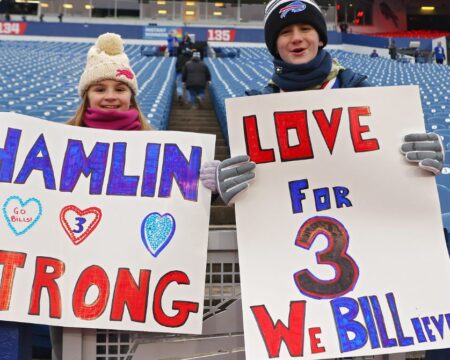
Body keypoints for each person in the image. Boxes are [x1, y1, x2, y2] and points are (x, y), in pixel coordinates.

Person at [200, 0, 443, 203]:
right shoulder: (256, 107)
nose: (296, 38)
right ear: (274, 46)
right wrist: (220, 186)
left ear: (321, 38)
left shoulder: (358, 90)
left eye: (305, 28)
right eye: (285, 32)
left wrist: (419, 161)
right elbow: (247, 183)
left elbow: (390, 163)